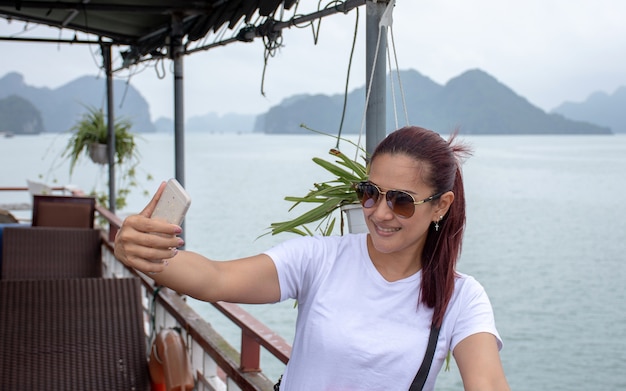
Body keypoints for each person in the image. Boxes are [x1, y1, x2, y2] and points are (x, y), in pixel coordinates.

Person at [114, 126, 510, 391]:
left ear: (440, 206)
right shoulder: (320, 259)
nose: (380, 213)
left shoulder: (462, 298)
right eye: (370, 193)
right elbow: (216, 278)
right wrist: (141, 251)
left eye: (401, 201)